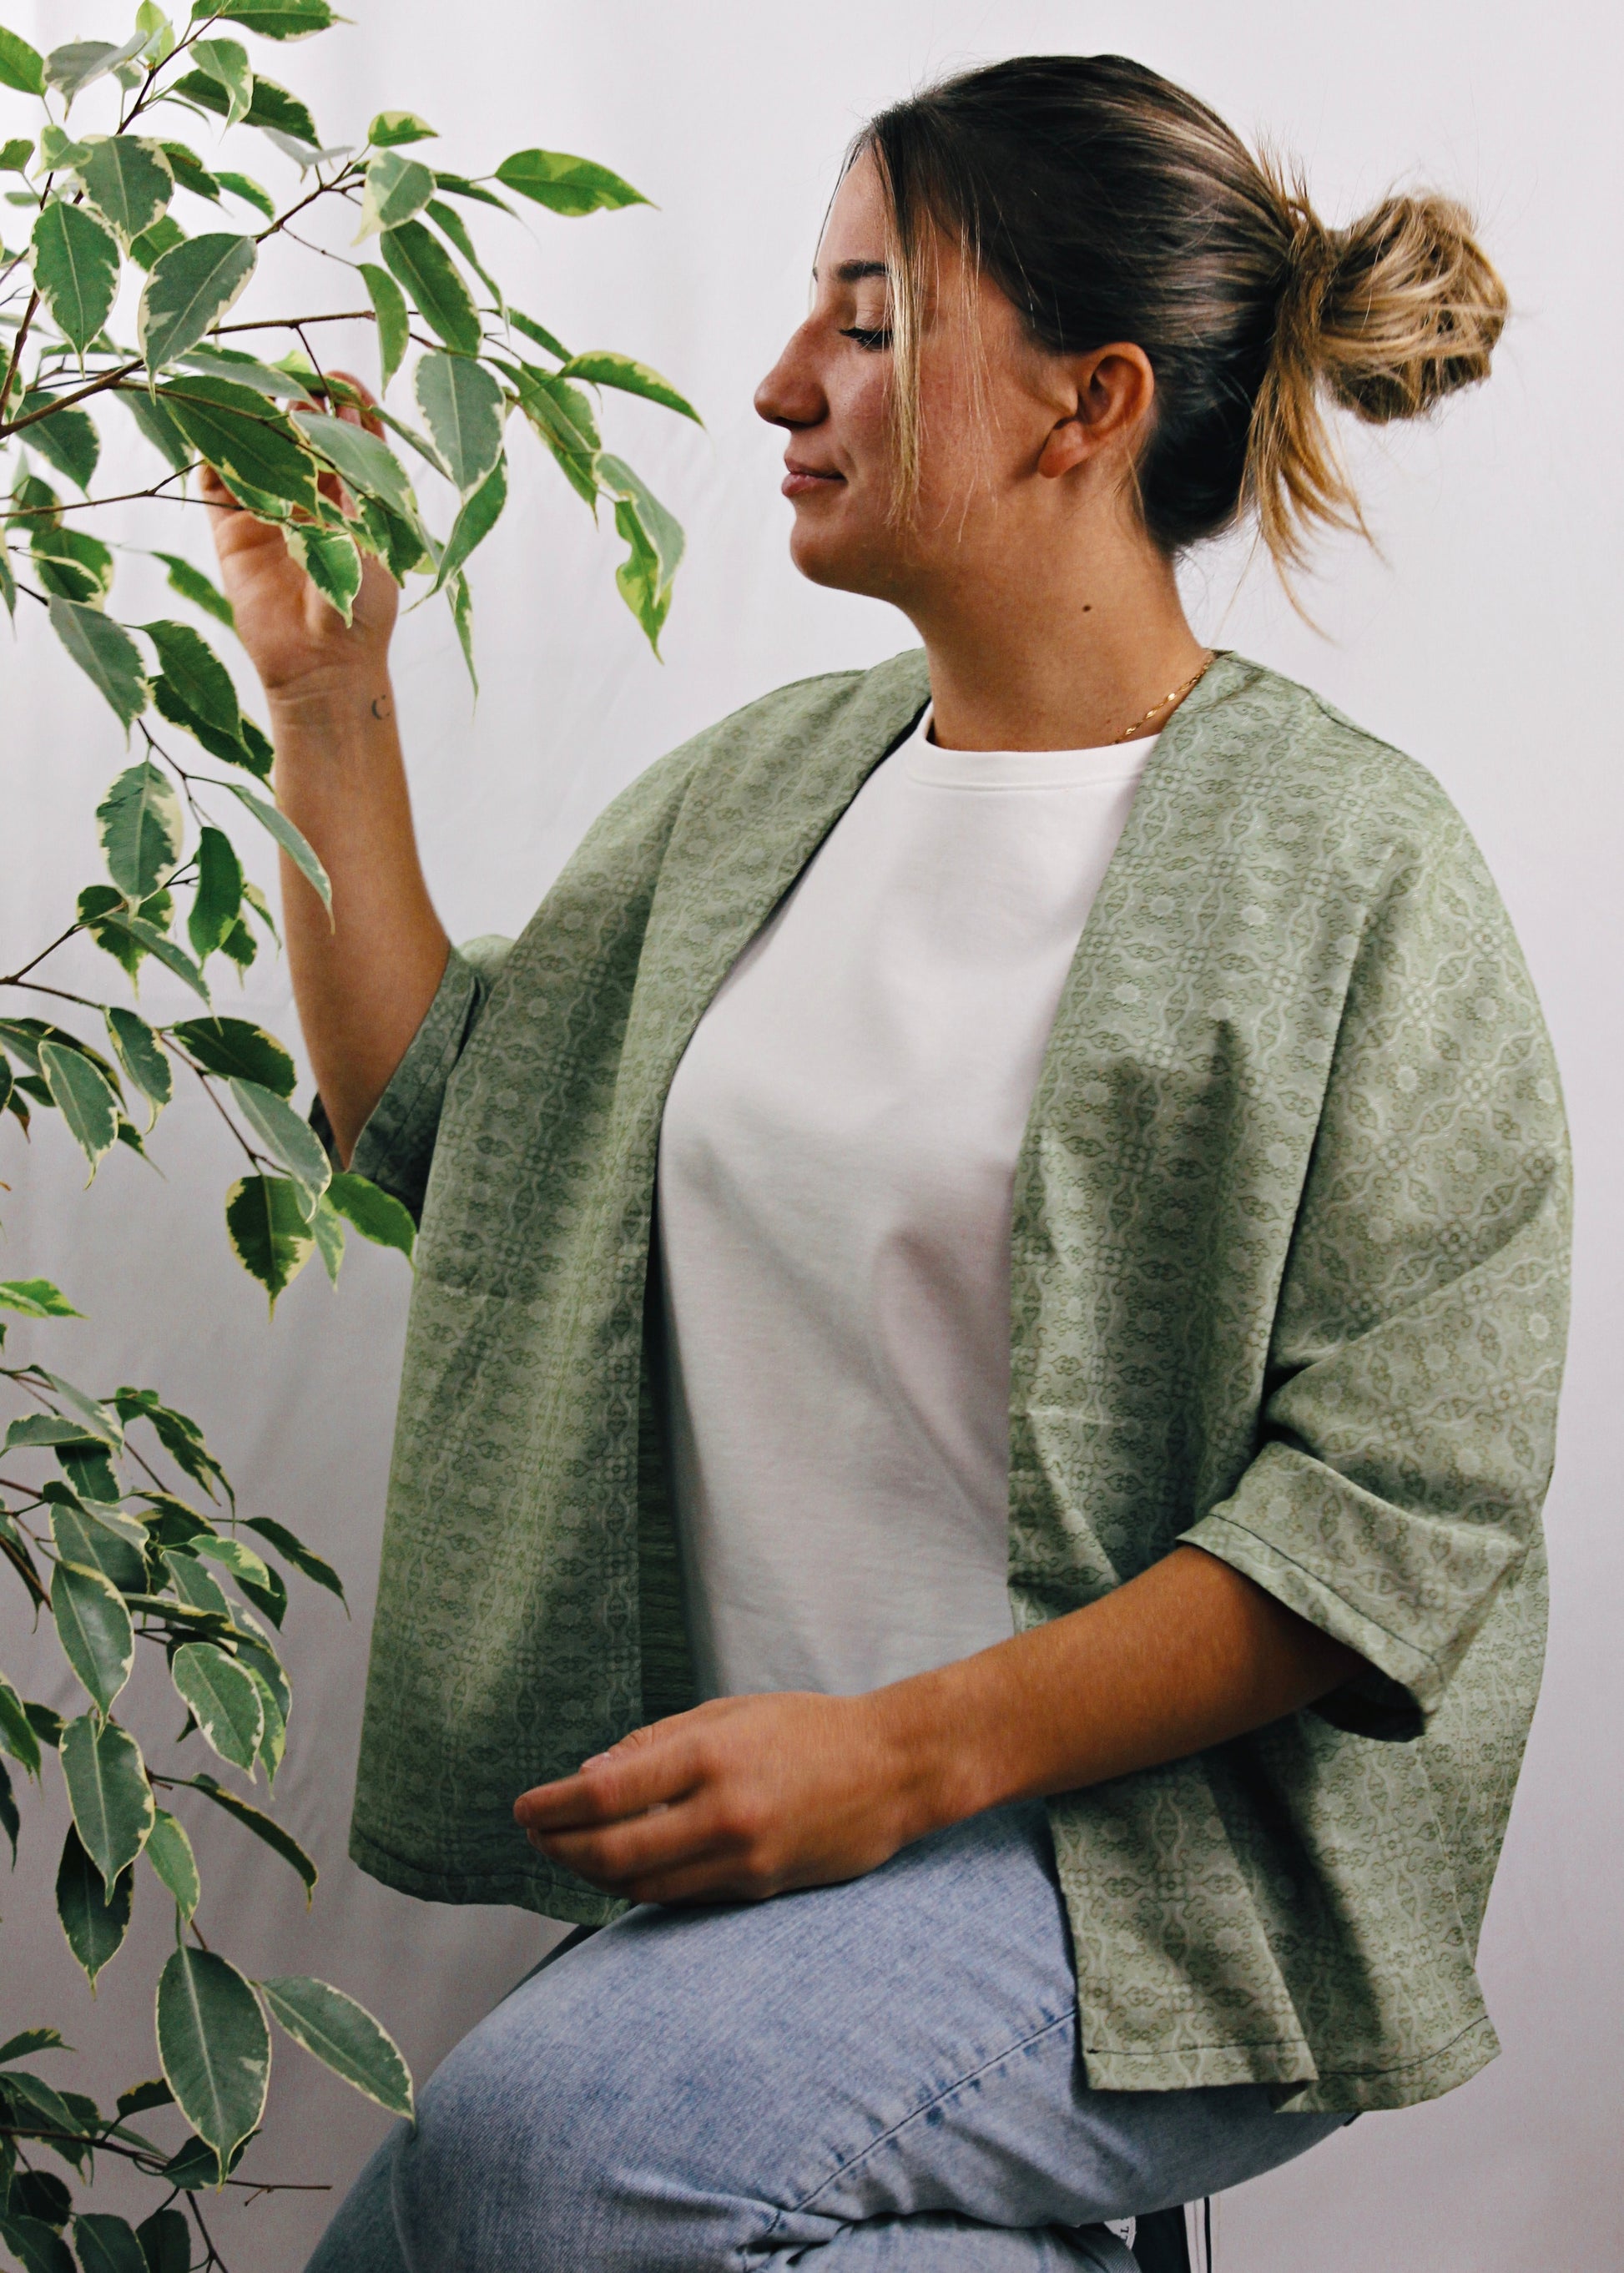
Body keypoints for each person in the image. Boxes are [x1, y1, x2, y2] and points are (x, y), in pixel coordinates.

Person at [209, 53, 1570, 2273]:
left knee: (545, 2163)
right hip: (795, 1883)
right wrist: (324, 691)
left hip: (1134, 1868)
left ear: (1080, 402)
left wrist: (906, 1755)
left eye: (864, 315)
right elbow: (448, 1152)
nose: (776, 380)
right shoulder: (761, 794)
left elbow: (1395, 1511)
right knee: (425, 2239)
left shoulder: (1349, 865)